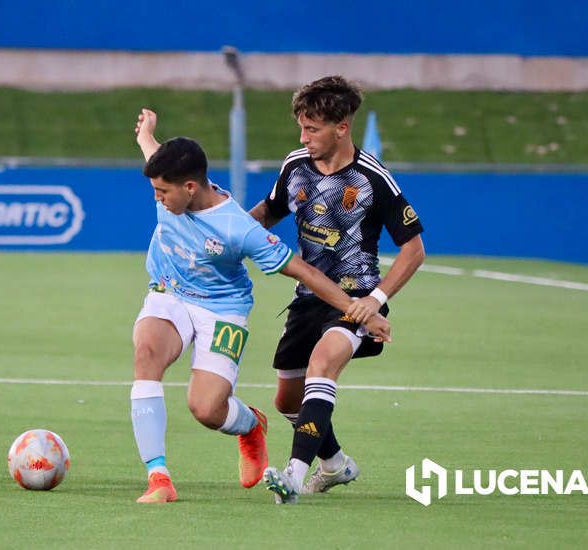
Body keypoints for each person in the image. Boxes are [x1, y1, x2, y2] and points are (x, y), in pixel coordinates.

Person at [129, 108, 390, 504]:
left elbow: (306, 273)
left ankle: (252, 426)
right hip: (169, 293)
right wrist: (147, 132)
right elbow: (151, 151)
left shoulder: (240, 229)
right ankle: (159, 478)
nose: (157, 201)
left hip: (223, 309)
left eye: (163, 193)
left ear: (189, 187)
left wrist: (358, 310)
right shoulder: (168, 183)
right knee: (146, 352)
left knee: (205, 409)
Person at [249, 76, 425, 504]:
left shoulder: (373, 178)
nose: (303, 137)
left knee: (322, 364)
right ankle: (334, 464)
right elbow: (268, 213)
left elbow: (414, 250)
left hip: (355, 299)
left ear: (341, 128)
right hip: (308, 298)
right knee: (287, 400)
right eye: (302, 128)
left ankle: (292, 475)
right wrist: (226, 233)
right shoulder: (295, 165)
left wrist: (375, 300)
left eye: (312, 129)